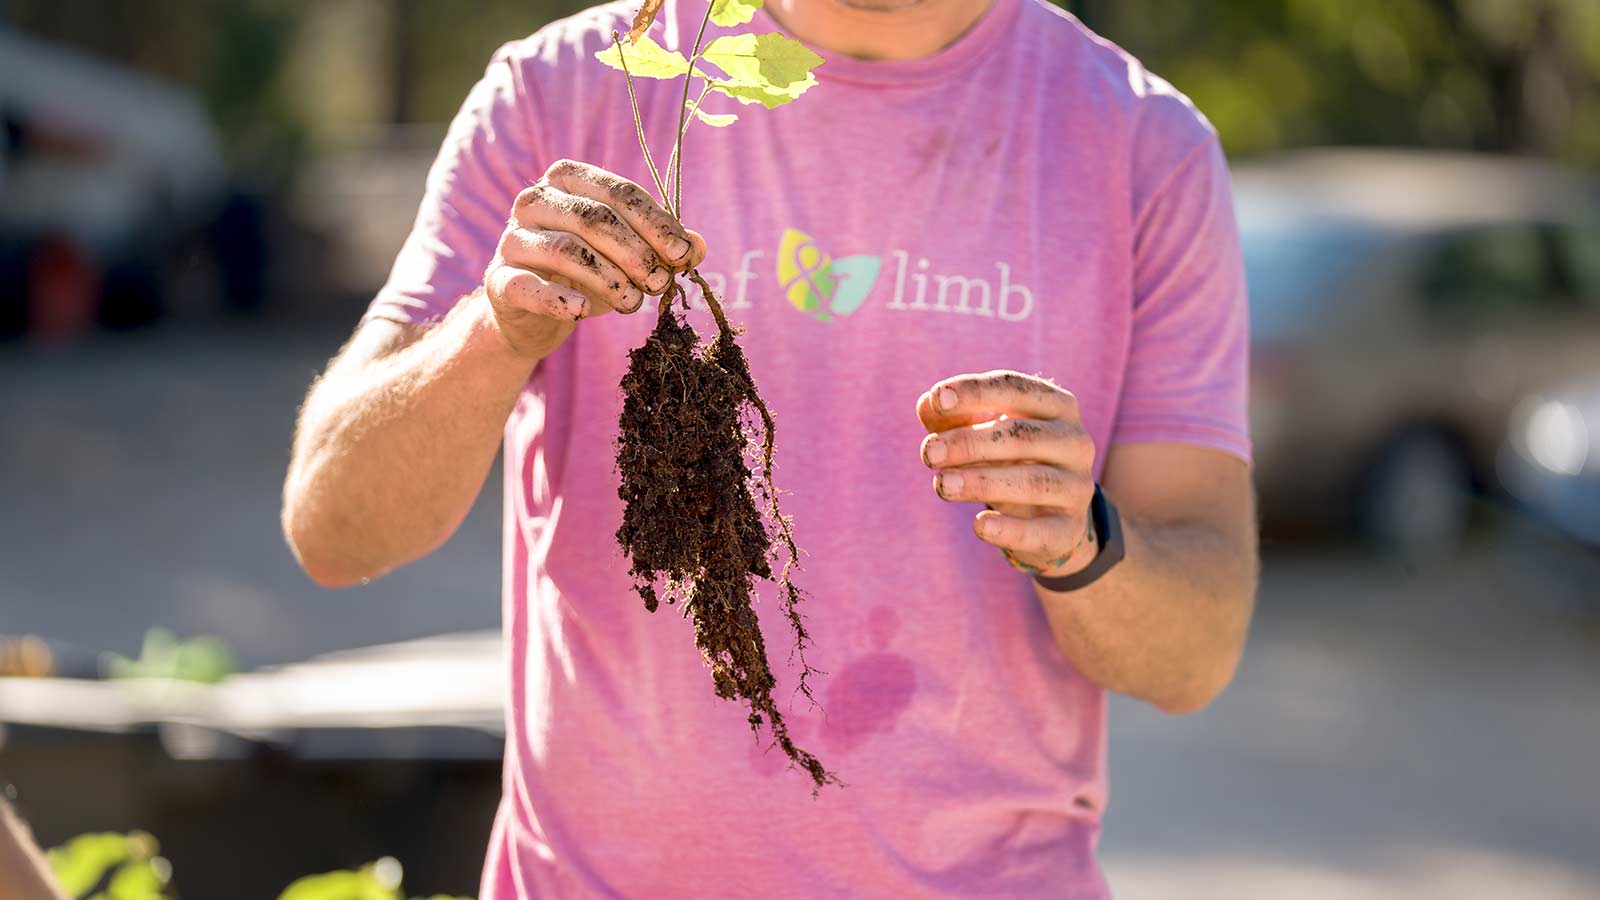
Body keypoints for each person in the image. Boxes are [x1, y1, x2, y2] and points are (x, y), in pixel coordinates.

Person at [282, 0, 1258, 895]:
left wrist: (1084, 540)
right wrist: (491, 334)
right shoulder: (573, 87)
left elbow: (1195, 654)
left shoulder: (1137, 141)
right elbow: (334, 529)